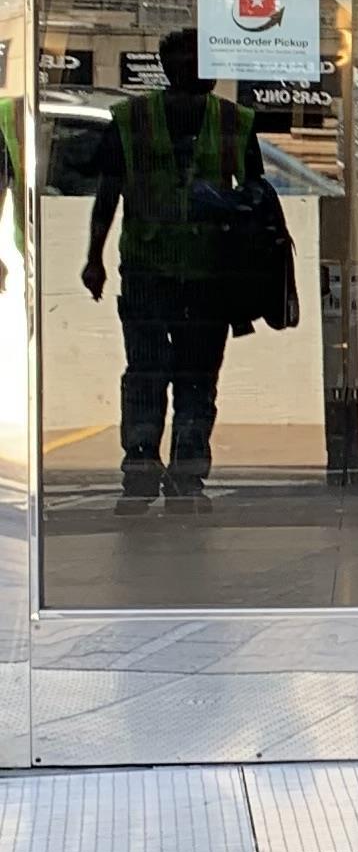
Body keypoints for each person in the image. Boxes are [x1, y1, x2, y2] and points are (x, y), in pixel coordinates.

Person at [80, 27, 256, 503]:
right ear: (172, 68)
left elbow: (256, 200)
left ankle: (182, 474)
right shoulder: (133, 119)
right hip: (151, 271)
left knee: (181, 375)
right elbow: (108, 193)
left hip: (202, 275)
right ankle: (147, 470)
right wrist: (94, 257)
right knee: (152, 373)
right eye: (191, 62)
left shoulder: (234, 121)